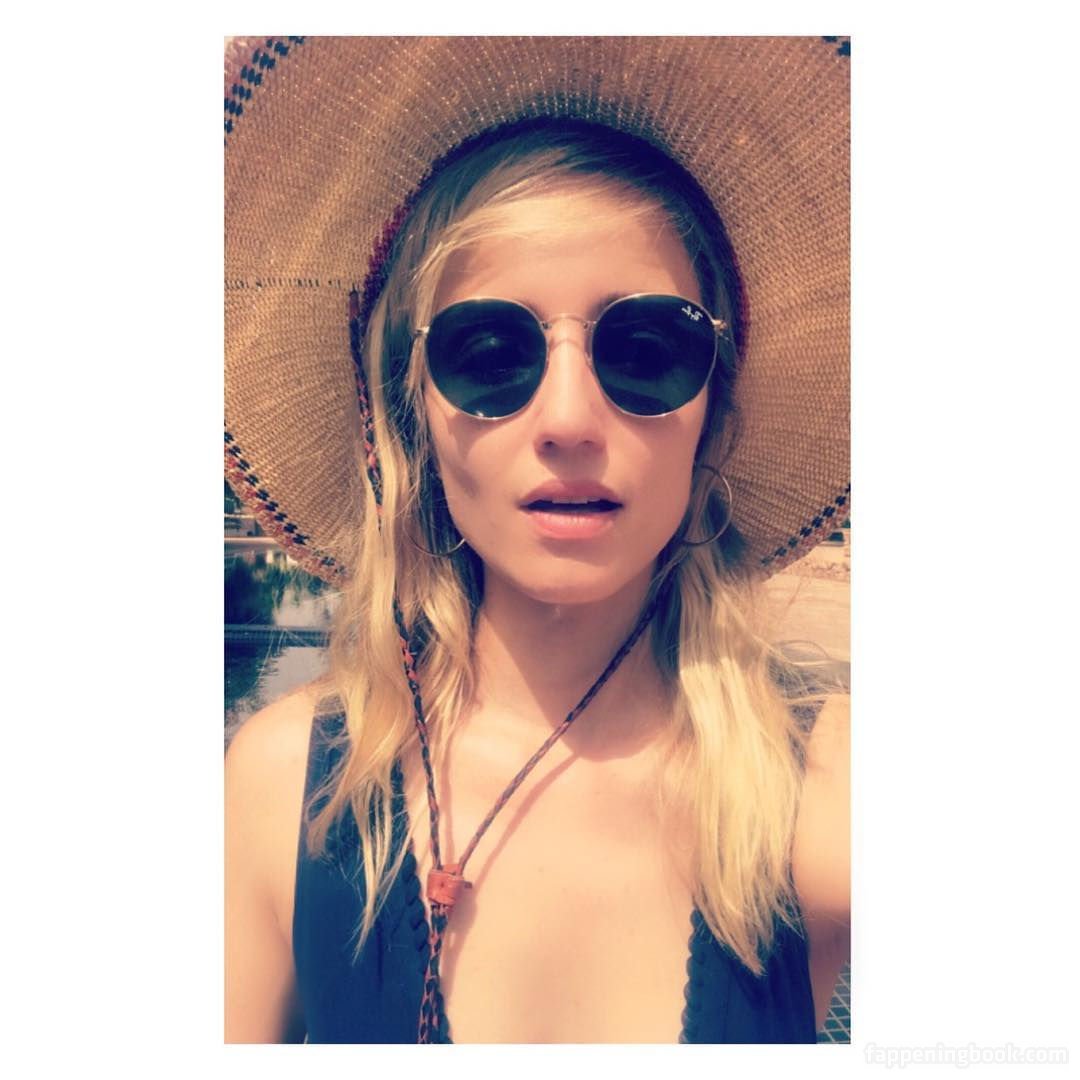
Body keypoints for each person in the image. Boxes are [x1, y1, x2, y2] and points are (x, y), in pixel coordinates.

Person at [224, 36, 850, 1044]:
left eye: (647, 349)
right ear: (408, 414)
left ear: (714, 412)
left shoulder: (832, 789)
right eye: (488, 352)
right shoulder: (283, 786)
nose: (567, 419)